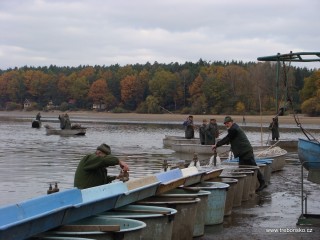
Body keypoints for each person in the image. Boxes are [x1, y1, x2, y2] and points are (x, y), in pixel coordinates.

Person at [212, 116, 267, 192]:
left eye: (228, 123)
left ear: (232, 122)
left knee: (253, 167)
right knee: (242, 169)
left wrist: (217, 145)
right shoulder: (233, 128)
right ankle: (243, 187)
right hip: (242, 153)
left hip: (246, 152)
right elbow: (230, 139)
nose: (226, 125)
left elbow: (227, 138)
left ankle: (262, 182)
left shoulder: (234, 129)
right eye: (225, 124)